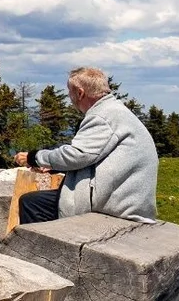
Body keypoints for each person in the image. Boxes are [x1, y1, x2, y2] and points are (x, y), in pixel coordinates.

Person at [13, 66, 158, 225]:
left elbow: (77, 155)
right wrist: (54, 166)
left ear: (80, 93)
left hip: (116, 208)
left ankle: (44, 249)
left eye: (70, 92)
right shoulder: (114, 110)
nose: (70, 97)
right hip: (127, 200)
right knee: (40, 200)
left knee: (31, 203)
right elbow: (94, 156)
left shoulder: (101, 116)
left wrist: (34, 157)